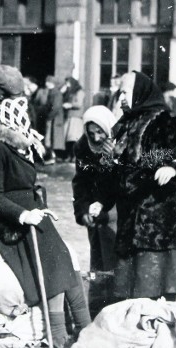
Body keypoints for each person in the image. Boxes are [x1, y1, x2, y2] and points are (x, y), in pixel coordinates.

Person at [0, 96, 90, 348]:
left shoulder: (17, 148)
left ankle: (85, 326)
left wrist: (40, 208)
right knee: (51, 257)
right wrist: (23, 215)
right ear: (7, 123)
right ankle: (57, 332)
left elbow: (27, 189)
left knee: (63, 253)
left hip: (25, 214)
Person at [111, 71, 176, 302]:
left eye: (125, 93)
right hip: (132, 211)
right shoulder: (125, 123)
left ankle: (159, 330)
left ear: (140, 92)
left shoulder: (164, 120)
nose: (121, 99)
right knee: (131, 286)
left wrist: (173, 168)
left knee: (155, 285)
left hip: (161, 215)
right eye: (120, 93)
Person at [71, 105, 119, 317]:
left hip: (117, 213)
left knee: (117, 263)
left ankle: (117, 308)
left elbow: (122, 184)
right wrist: (82, 211)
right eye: (92, 133)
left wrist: (112, 161)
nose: (97, 138)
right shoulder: (83, 147)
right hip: (95, 213)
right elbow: (80, 182)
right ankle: (98, 310)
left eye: (100, 131)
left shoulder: (121, 145)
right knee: (98, 263)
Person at [41, 75, 64, 164]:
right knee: (50, 138)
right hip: (53, 118)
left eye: (48, 81)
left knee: (51, 138)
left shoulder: (56, 93)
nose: (46, 83)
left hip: (54, 119)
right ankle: (52, 156)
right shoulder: (52, 92)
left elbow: (56, 107)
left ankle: (52, 157)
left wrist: (49, 116)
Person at [62, 77, 85, 162]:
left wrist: (70, 105)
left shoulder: (79, 92)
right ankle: (69, 155)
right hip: (69, 117)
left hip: (76, 117)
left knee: (74, 138)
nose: (67, 85)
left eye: (68, 83)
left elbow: (79, 104)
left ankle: (75, 156)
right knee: (68, 139)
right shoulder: (69, 91)